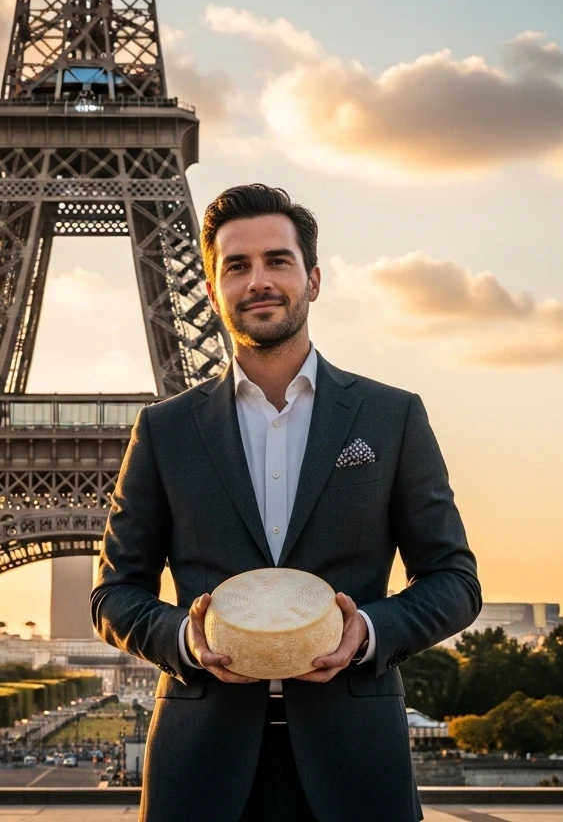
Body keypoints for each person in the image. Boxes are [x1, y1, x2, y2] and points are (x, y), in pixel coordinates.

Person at [92, 184, 481, 822]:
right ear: (213, 289)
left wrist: (368, 633)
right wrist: (186, 640)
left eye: (278, 260)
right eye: (236, 266)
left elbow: (456, 581)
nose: (259, 281)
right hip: (202, 763)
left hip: (355, 760)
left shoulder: (392, 417)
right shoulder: (164, 431)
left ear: (314, 279)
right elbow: (114, 592)